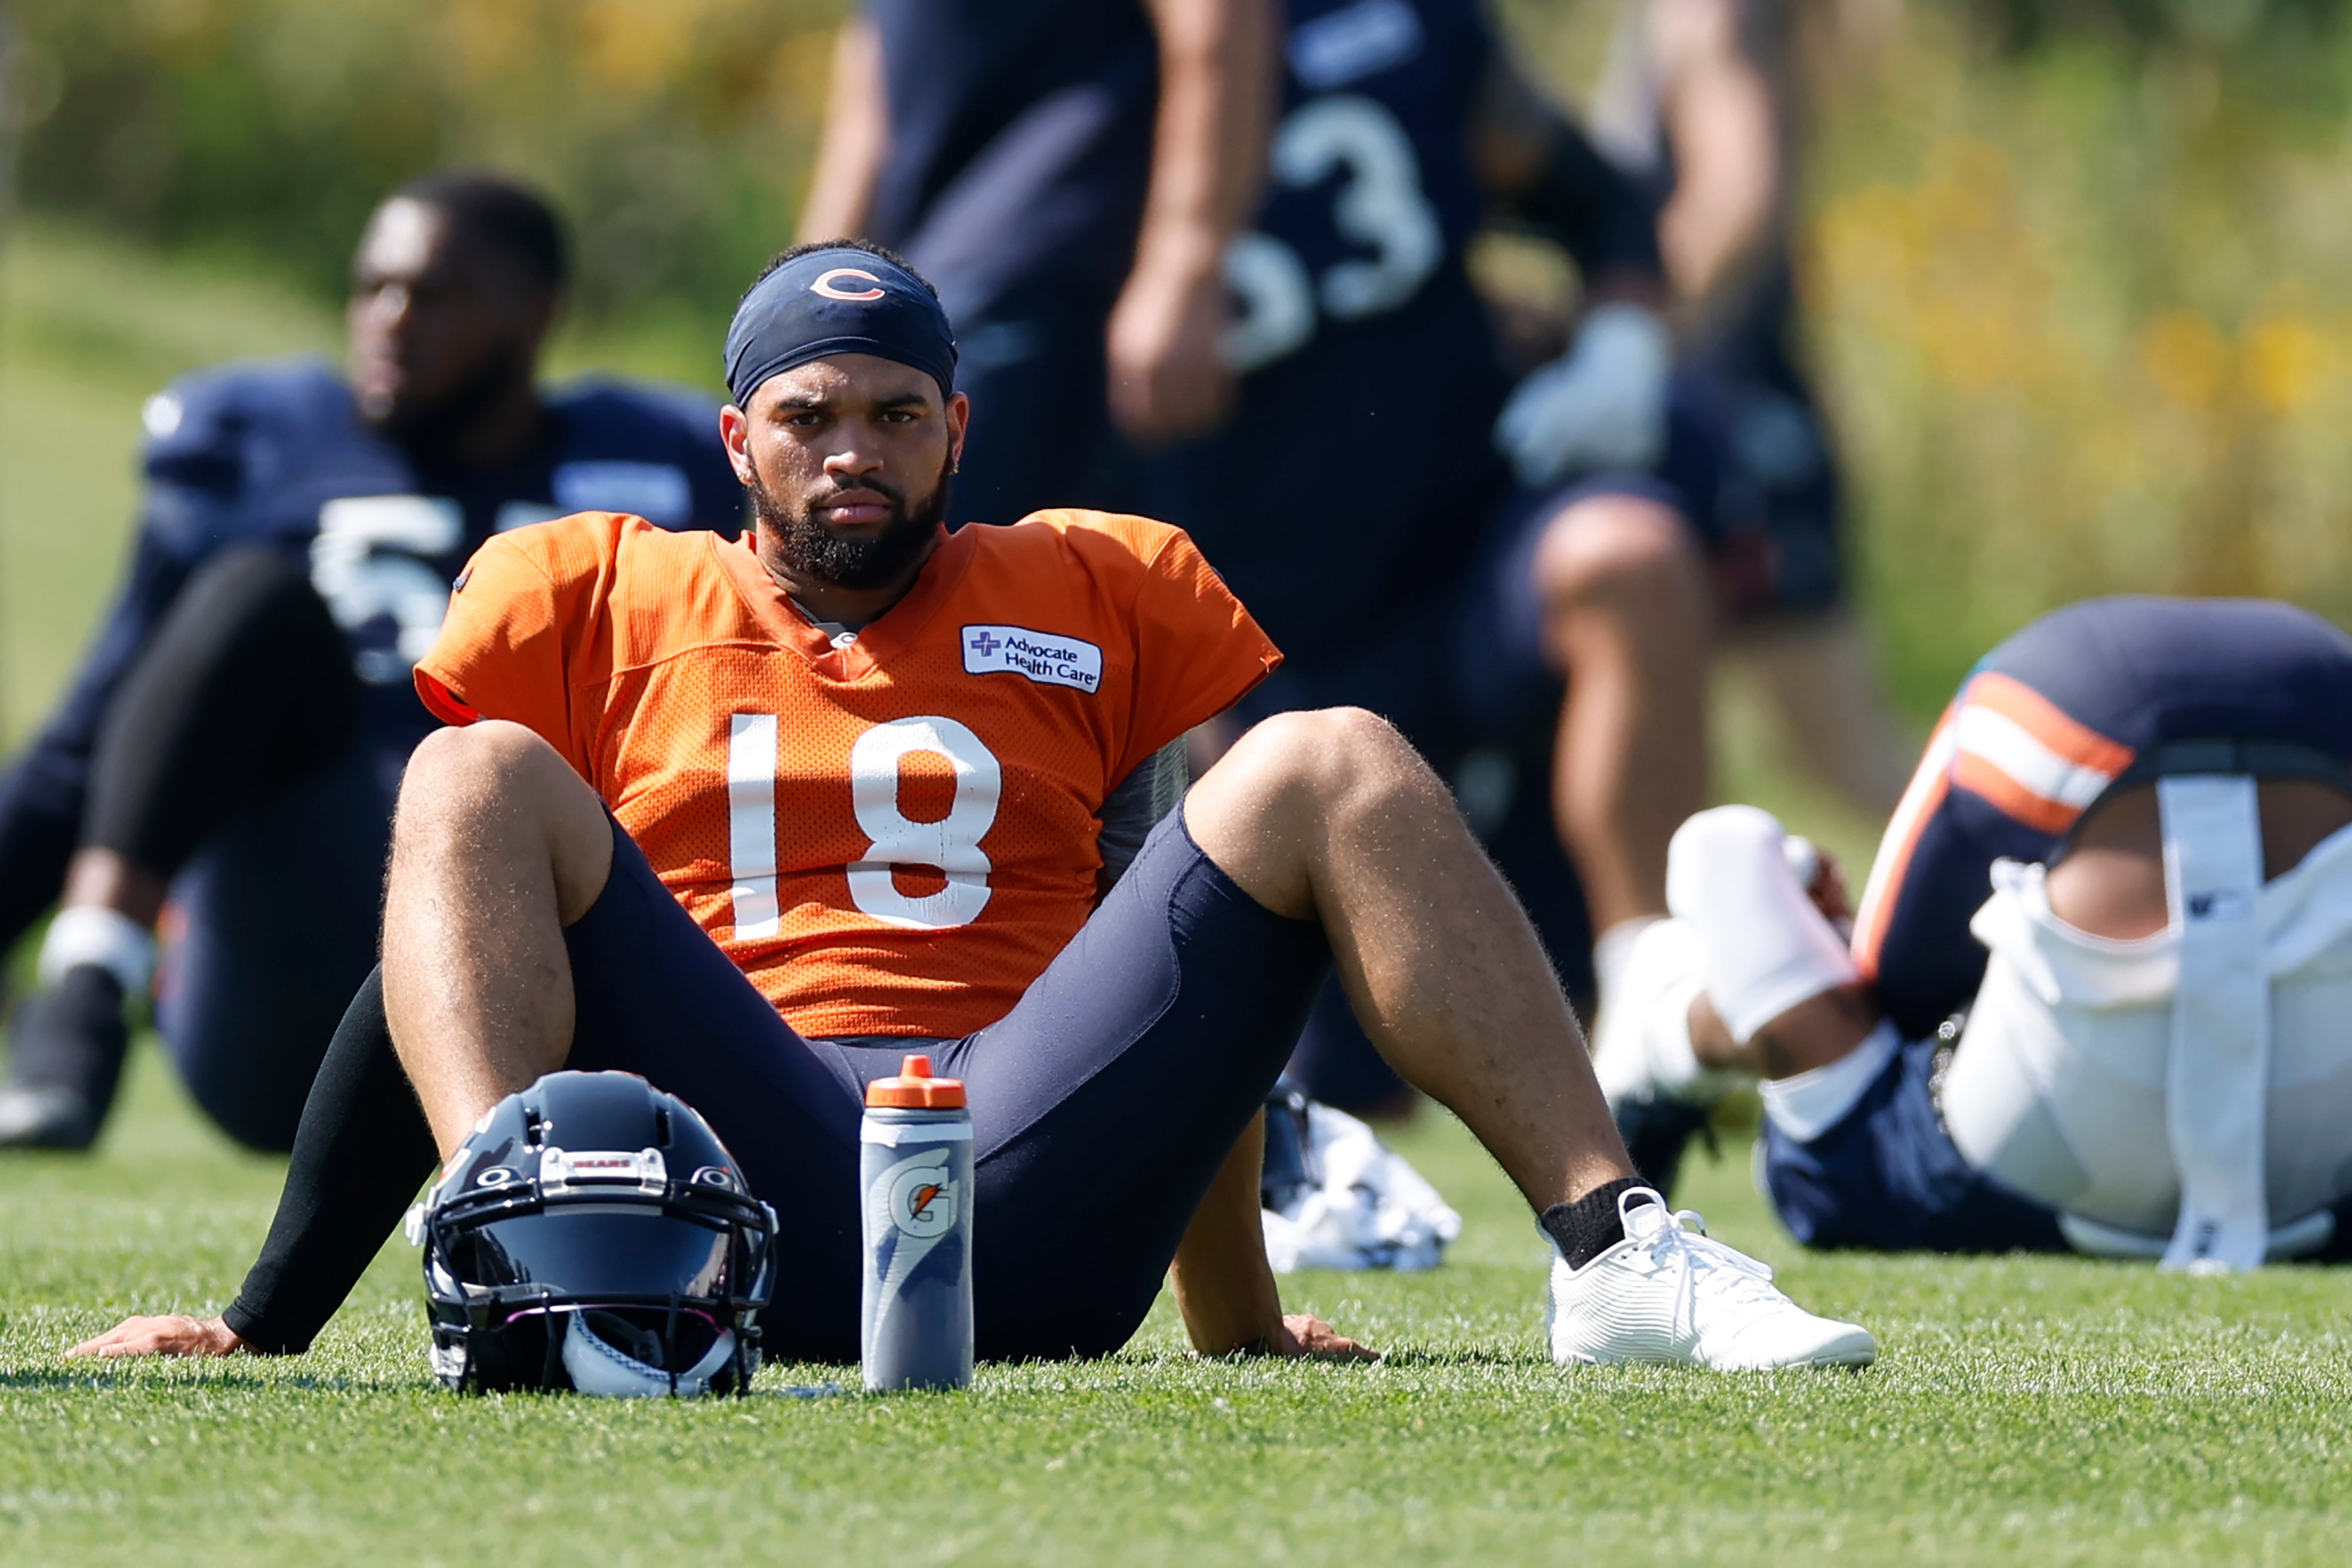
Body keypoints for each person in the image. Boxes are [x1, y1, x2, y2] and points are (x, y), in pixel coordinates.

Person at [71, 242, 1875, 1372]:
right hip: (710, 1188)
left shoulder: (1103, 583)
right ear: (735, 442)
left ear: (957, 431)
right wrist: (267, 1313)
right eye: (806, 414)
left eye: (892, 413)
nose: (848, 448)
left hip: (1024, 1162)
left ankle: (1616, 1252)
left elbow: (1185, 982)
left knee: (1324, 760)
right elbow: (435, 940)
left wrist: (1233, 1315)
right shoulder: (591, 589)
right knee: (468, 775)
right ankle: (510, 1249)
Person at [0, 171, 743, 1152]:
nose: (389, 322)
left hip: (545, 942)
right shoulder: (259, 443)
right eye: (373, 289)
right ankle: (86, 1000)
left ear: (535, 314)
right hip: (302, 947)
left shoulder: (664, 463)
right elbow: (97, 736)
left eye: (435, 297)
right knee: (250, 598)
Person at [1597, 596, 2352, 1271]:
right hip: (2322, 1173)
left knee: (1838, 1168)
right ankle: (1711, 987)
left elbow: (1897, 972)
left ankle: (1676, 1026)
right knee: (1855, 1129)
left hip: (2064, 685)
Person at [1583, 0, 1908, 814]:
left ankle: (2063, 891)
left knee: (1847, 752)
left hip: (1734, 419)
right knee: (1668, 741)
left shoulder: (1707, 13)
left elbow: (1740, 202)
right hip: (1719, 405)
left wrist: (1619, 336)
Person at [795, 0, 1279, 522]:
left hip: (1051, 270)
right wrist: (807, 303)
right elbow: (875, 81)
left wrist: (1186, 267)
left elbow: (1216, 20)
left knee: (927, 569)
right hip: (933, 284)